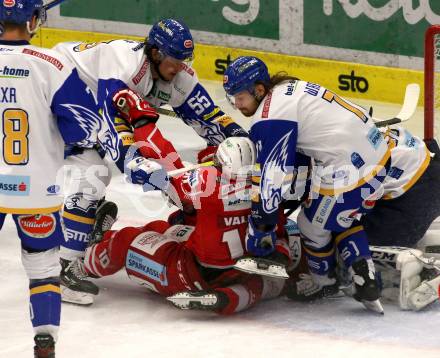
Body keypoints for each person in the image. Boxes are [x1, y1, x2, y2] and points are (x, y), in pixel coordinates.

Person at [53, 18, 247, 302]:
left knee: (94, 168)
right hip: (62, 85)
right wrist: (132, 162)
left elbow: (209, 117)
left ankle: (86, 222)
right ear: (155, 53)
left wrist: (242, 138)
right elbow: (113, 126)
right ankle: (66, 269)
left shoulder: (178, 76)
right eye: (174, 60)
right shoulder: (123, 64)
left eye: (185, 60)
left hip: (88, 99)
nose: (180, 67)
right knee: (92, 170)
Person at [0, 0, 150, 355]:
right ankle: (45, 340)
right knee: (42, 269)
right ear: (34, 20)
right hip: (35, 190)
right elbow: (83, 129)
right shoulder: (52, 65)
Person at [223, 56, 392, 313]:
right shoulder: (288, 89)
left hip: (350, 171)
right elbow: (299, 152)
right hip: (380, 155)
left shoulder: (269, 116)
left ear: (258, 90)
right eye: (232, 98)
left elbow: (273, 180)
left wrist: (261, 229)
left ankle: (325, 282)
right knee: (340, 217)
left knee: (310, 225)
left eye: (240, 98)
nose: (236, 105)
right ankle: (365, 276)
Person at [78, 138, 297, 314]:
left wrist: (142, 167)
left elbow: (163, 182)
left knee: (126, 239)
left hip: (189, 272)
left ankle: (81, 264)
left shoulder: (205, 179)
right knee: (164, 226)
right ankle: (231, 296)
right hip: (239, 273)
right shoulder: (268, 193)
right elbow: (280, 234)